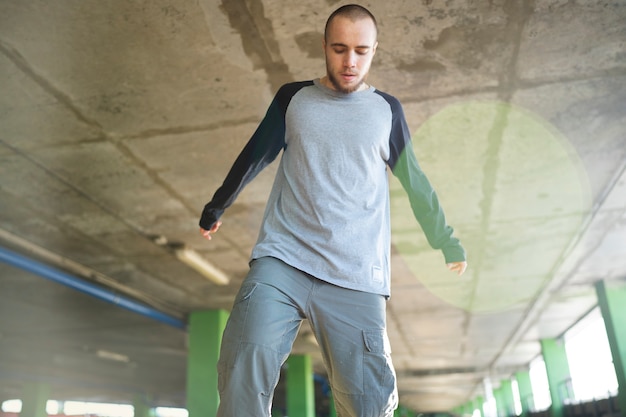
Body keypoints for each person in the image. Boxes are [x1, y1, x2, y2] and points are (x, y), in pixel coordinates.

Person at [199, 4, 467, 416]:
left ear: (375, 50)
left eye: (362, 51)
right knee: (241, 371)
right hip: (283, 260)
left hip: (356, 275)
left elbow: (416, 182)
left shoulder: (386, 111)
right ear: (324, 46)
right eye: (340, 49)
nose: (350, 62)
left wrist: (445, 241)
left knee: (369, 405)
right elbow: (255, 155)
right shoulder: (294, 99)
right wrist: (217, 206)